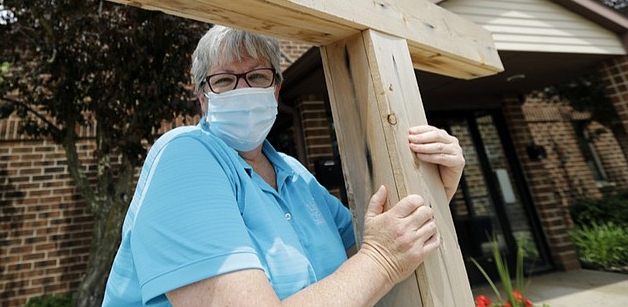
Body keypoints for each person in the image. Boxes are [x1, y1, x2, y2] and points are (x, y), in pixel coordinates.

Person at [103, 25, 465, 306]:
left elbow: (373, 247)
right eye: (225, 80)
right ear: (202, 97)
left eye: (257, 76)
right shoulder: (184, 157)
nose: (242, 90)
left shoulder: (295, 174)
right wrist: (381, 260)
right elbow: (379, 257)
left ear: (276, 88)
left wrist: (435, 190)